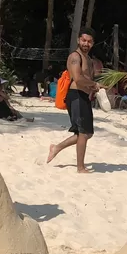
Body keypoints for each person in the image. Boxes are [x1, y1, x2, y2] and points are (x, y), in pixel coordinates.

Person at [47, 27, 98, 173]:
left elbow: (87, 79)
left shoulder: (89, 59)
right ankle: (80, 168)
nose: (86, 43)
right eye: (83, 40)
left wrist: (94, 87)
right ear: (78, 40)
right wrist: (93, 84)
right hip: (75, 95)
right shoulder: (75, 57)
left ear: (92, 43)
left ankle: (56, 148)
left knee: (87, 133)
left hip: (83, 96)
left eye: (89, 41)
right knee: (83, 132)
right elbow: (78, 78)